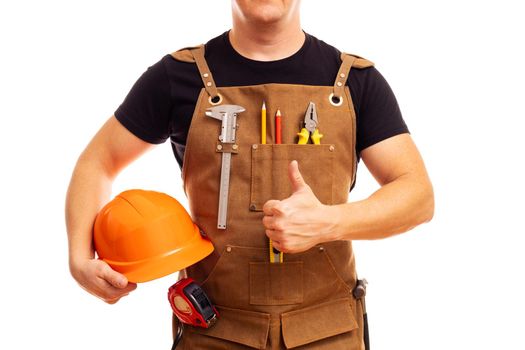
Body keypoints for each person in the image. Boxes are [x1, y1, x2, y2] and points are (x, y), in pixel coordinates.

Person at [66, 0, 434, 349]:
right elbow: (96, 163)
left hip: (330, 333)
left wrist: (330, 222)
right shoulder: (176, 77)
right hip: (212, 330)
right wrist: (80, 260)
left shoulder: (355, 82)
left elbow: (417, 196)